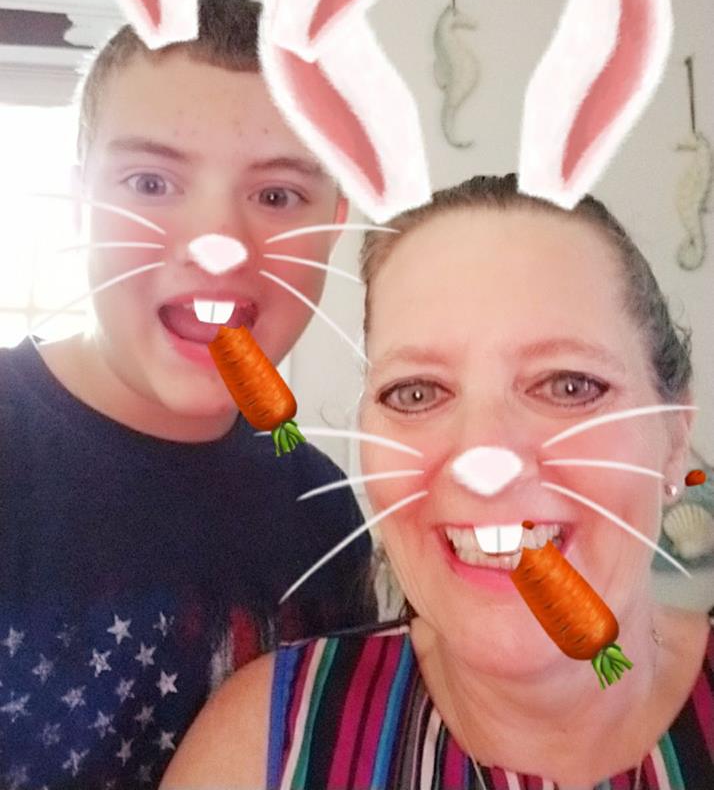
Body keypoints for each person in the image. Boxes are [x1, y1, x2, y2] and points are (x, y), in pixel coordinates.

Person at [162, 174, 713, 790]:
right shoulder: (261, 746)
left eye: (568, 385)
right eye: (417, 392)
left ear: (673, 439)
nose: (484, 462)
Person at [0, 0, 377, 789]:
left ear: (333, 223)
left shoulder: (325, 514)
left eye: (276, 196)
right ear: (80, 202)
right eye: (151, 182)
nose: (217, 247)